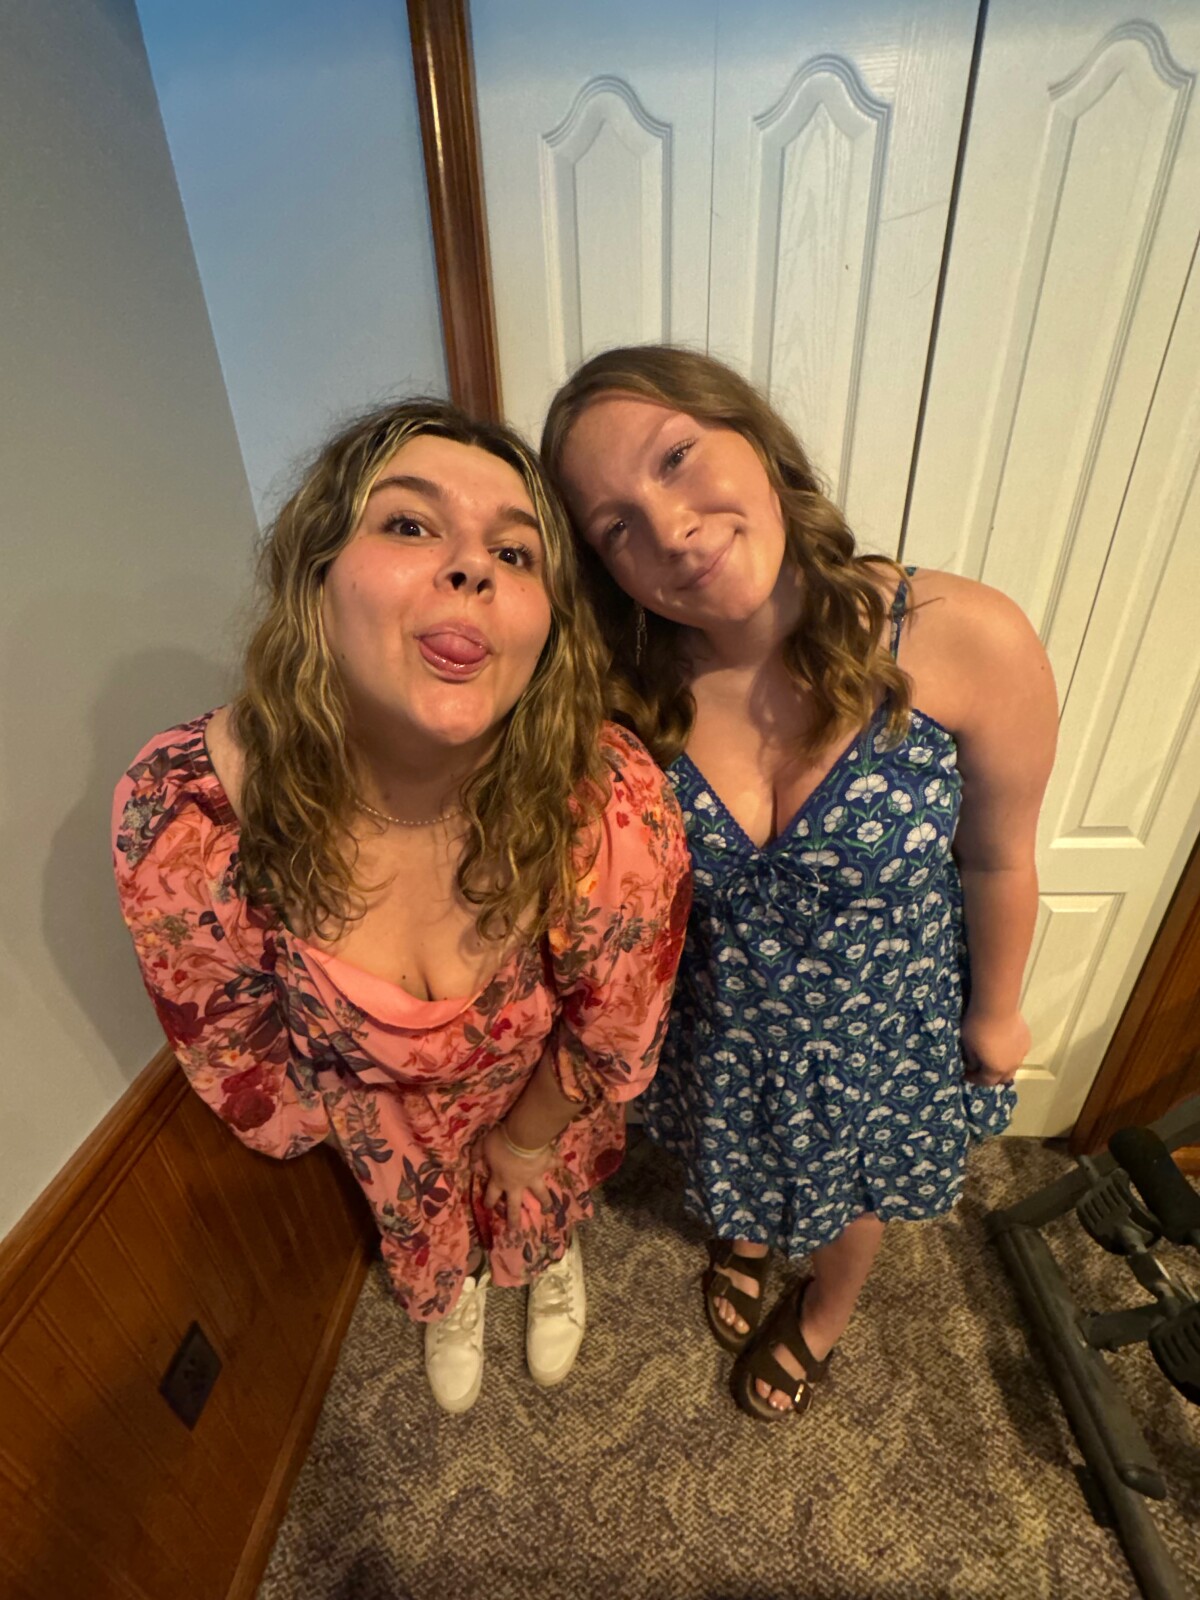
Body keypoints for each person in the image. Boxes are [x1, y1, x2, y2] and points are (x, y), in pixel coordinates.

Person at [112, 398, 690, 1414]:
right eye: (411, 524)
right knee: (434, 1238)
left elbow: (614, 1031)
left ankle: (543, 1250)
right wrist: (383, 1142)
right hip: (385, 1141)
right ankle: (454, 1284)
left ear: (547, 627)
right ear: (317, 576)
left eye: (513, 553)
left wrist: (522, 1145)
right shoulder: (190, 817)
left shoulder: (607, 803)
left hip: (542, 1105)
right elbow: (239, 1044)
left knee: (538, 1193)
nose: (471, 569)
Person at [541, 347, 1057, 1422]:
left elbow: (1000, 854)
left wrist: (1000, 1009)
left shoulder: (964, 637)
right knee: (729, 1159)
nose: (671, 529)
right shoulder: (628, 687)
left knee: (850, 1197)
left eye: (677, 457)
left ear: (757, 438)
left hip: (880, 1030)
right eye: (617, 526)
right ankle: (740, 1236)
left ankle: (823, 1309)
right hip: (721, 1022)